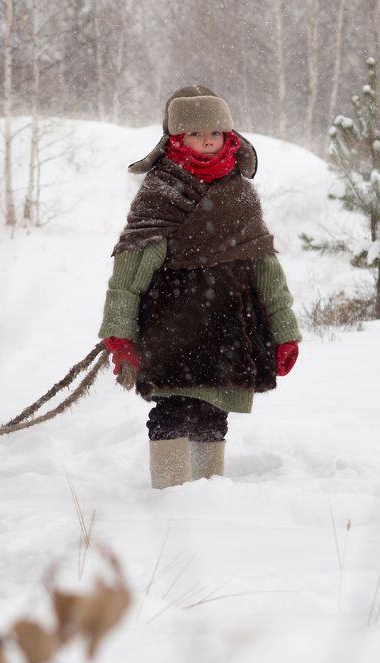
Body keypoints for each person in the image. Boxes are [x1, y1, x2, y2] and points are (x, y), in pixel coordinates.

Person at [98, 85, 301, 489]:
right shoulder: (160, 191)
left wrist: (284, 333)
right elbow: (129, 270)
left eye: (215, 131)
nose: (207, 139)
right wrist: (119, 330)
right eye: (195, 132)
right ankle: (170, 492)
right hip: (170, 320)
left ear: (229, 135)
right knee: (172, 407)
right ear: (176, 138)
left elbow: (266, 270)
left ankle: (210, 494)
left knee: (214, 407)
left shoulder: (240, 192)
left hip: (229, 323)